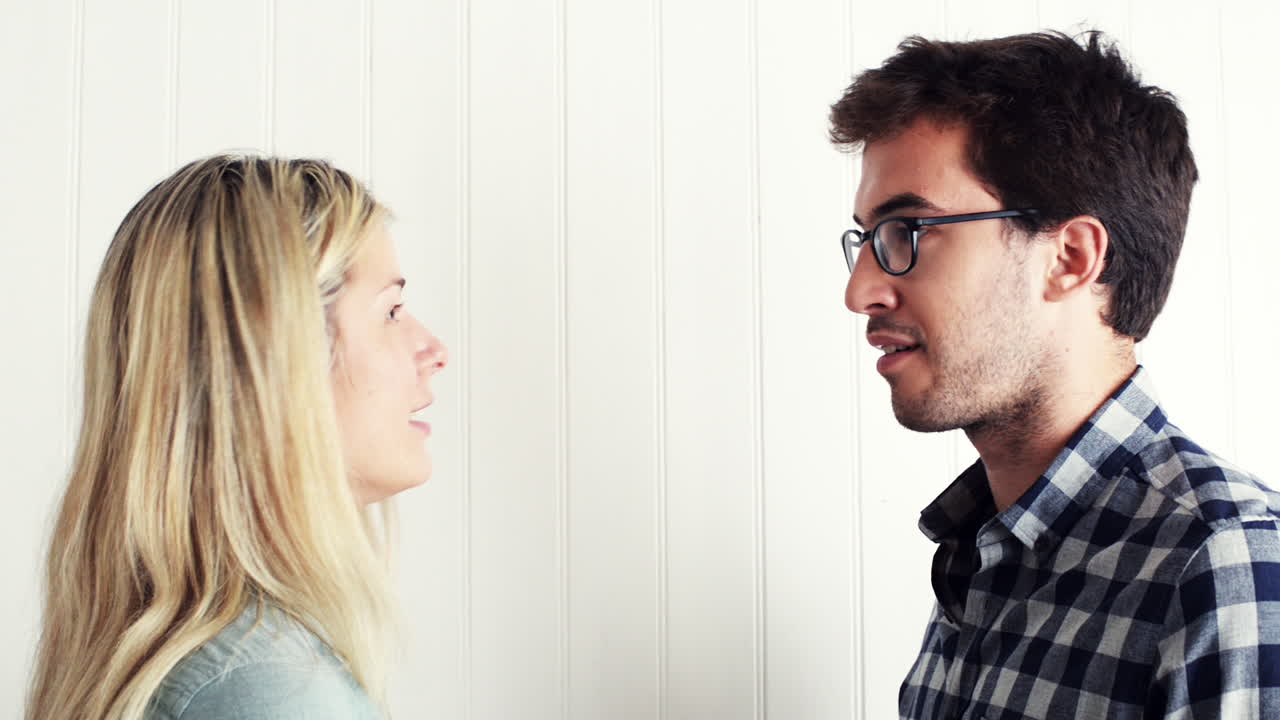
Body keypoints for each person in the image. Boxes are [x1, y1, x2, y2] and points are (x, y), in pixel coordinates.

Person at [831, 32, 1280, 718]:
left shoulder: (1225, 568)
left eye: (908, 233)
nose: (860, 290)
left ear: (1070, 257)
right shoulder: (983, 554)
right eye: (865, 240)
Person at [25, 155, 448, 720]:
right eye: (391, 311)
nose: (434, 351)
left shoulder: (214, 664)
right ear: (275, 362)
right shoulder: (266, 690)